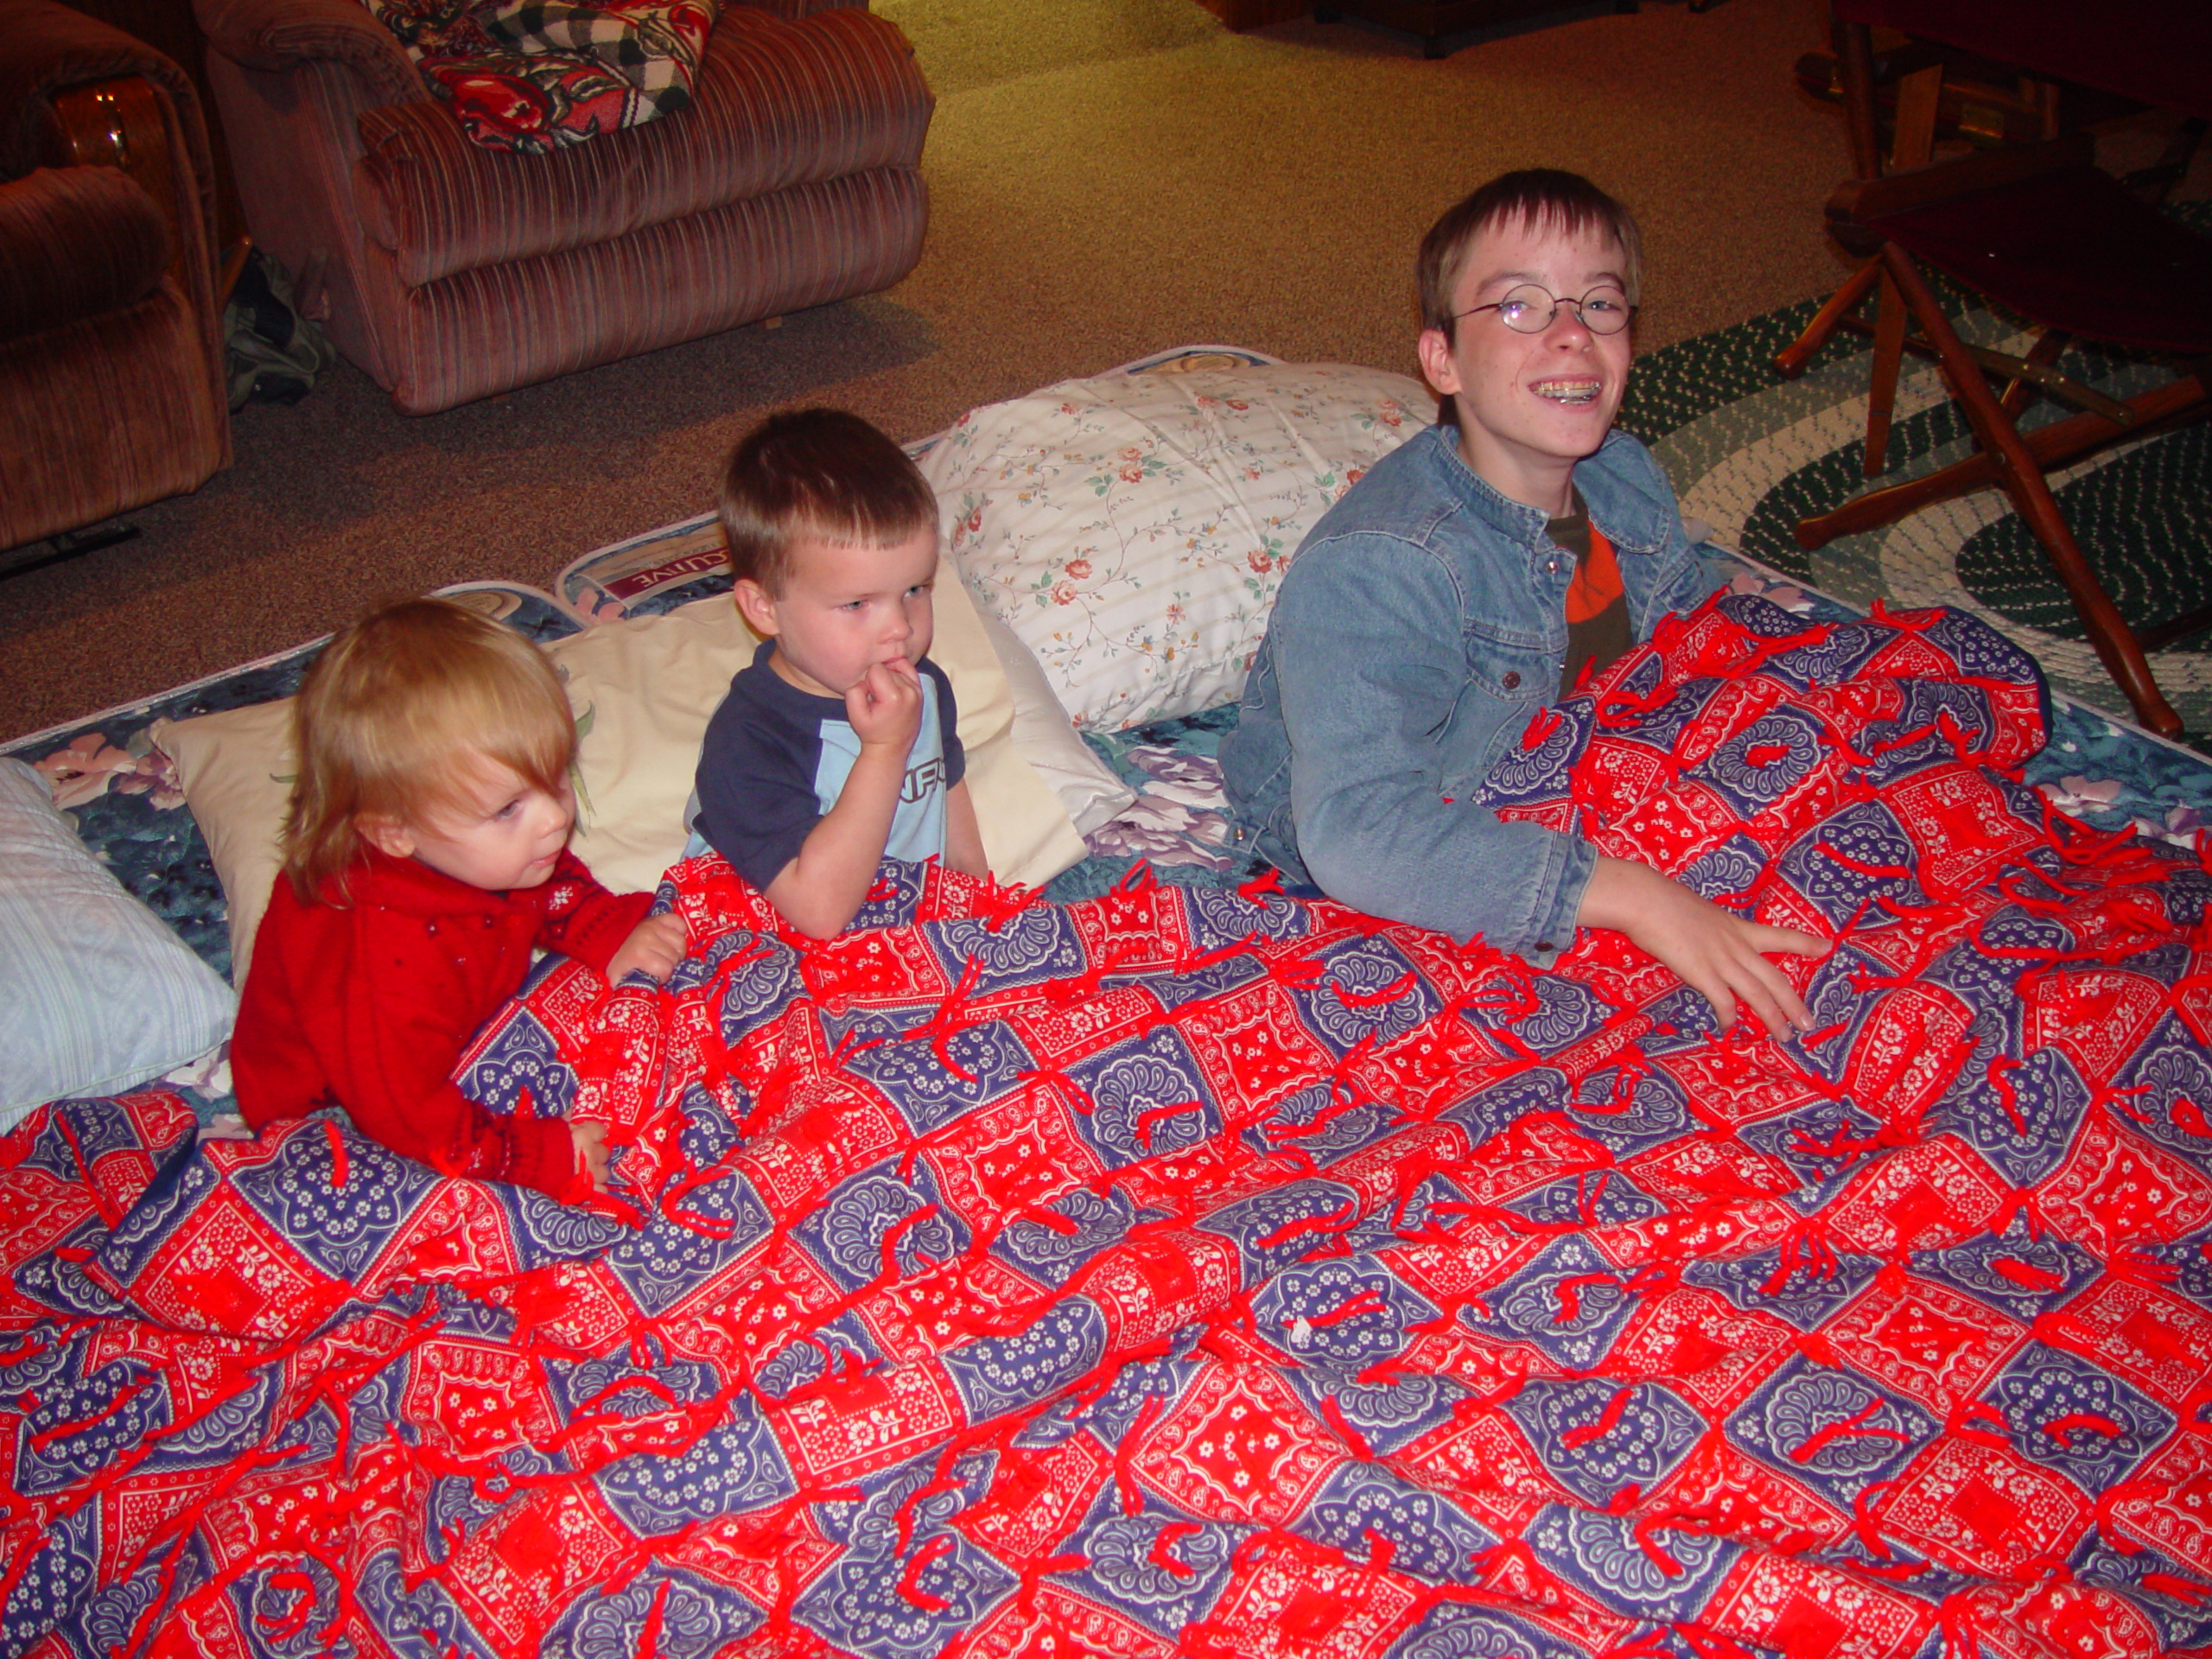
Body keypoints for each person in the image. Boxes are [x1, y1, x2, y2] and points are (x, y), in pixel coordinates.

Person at [1220, 168, 1825, 1037]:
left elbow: (1690, 621)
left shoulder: (1621, 474)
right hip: (1404, 835)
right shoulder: (1382, 567)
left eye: (1601, 304)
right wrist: (1627, 894)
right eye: (1518, 307)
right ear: (1441, 360)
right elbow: (1356, 834)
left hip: (1584, 759)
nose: (1572, 335)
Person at [231, 598, 687, 1200]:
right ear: (394, 832)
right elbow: (406, 1119)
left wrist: (605, 927)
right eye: (506, 809)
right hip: (349, 1109)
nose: (555, 818)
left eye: (554, 778)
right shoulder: (382, 969)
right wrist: (537, 1156)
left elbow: (545, 879)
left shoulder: (478, 849)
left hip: (457, 1021)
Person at [690, 408, 988, 938]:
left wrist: (980, 904)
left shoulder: (922, 686)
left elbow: (951, 804)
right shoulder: (749, 739)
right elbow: (818, 914)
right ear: (764, 609)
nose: (899, 628)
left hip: (901, 929)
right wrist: (883, 750)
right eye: (856, 604)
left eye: (915, 590)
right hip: (766, 938)